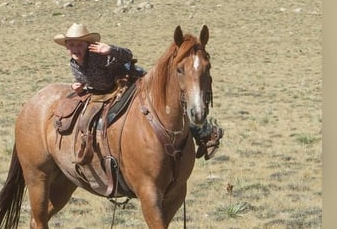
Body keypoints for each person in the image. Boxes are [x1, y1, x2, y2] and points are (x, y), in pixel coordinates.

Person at [53, 23, 223, 159]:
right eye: (72, 45)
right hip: (101, 92)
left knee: (167, 103)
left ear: (87, 44)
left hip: (128, 80)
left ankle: (205, 135)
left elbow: (127, 55)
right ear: (67, 47)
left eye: (79, 44)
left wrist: (110, 50)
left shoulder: (99, 53)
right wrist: (81, 85)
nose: (75, 48)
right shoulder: (74, 64)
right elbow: (91, 78)